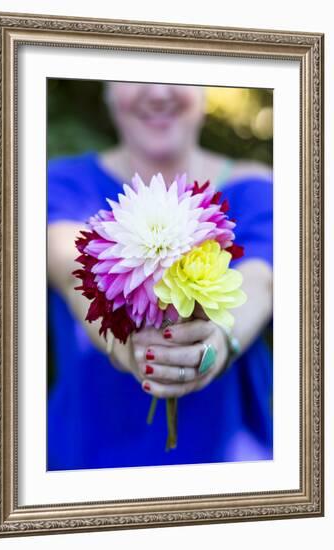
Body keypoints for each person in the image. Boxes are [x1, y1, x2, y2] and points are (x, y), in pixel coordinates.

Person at [47, 83, 273, 470]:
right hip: (88, 457)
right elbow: (72, 270)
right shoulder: (61, 182)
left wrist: (217, 339)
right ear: (105, 90)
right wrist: (124, 345)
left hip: (230, 461)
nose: (158, 91)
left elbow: (260, 280)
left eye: (176, 73)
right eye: (134, 75)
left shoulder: (257, 186)